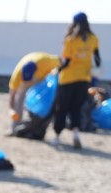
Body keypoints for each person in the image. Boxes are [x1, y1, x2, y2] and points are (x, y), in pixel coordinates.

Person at [53, 12, 101, 148]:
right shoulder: (93, 38)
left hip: (68, 79)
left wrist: (58, 69)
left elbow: (67, 61)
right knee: (76, 108)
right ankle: (76, 134)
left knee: (62, 108)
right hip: (84, 78)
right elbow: (97, 60)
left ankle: (57, 136)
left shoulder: (70, 39)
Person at [7, 52, 61, 121]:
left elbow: (60, 61)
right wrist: (11, 110)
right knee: (20, 94)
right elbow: (12, 95)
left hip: (43, 78)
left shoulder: (45, 61)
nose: (29, 82)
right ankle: (18, 119)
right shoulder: (17, 76)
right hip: (32, 78)